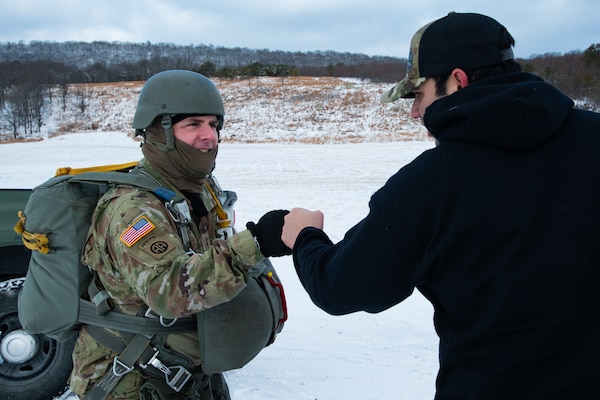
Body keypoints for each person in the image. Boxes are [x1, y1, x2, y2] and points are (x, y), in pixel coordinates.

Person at [281, 12, 600, 399]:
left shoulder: (430, 183)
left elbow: (341, 286)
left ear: (458, 80)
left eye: (418, 94)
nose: (415, 112)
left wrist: (305, 236)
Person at [69, 70, 291, 400]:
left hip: (186, 372)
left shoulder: (194, 192)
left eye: (214, 125)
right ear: (160, 131)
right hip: (133, 379)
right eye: (193, 125)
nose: (209, 136)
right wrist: (257, 242)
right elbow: (169, 291)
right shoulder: (132, 209)